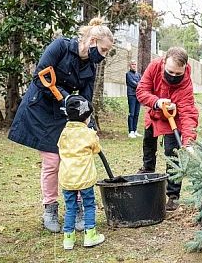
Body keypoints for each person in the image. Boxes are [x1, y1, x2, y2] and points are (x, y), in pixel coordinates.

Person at [8, 17, 113, 232]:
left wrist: (88, 122)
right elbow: (40, 76)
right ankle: (50, 208)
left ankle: (77, 208)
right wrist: (65, 97)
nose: (103, 55)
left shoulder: (90, 67)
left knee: (74, 158)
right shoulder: (61, 47)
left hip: (63, 113)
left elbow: (86, 99)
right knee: (52, 161)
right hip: (41, 109)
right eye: (103, 50)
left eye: (107, 52)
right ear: (92, 41)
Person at [136, 47, 199, 211]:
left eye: (178, 74)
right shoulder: (154, 67)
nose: (173, 77)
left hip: (174, 119)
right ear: (164, 63)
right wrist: (156, 102)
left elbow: (188, 112)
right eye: (170, 72)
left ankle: (173, 195)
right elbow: (141, 90)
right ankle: (147, 177)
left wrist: (189, 142)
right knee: (148, 147)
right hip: (154, 111)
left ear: (185, 68)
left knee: (173, 153)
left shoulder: (185, 84)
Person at [58, 95, 104, 250]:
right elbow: (97, 149)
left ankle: (68, 239)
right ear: (86, 118)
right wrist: (94, 136)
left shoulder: (63, 133)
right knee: (89, 205)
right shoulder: (88, 133)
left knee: (70, 207)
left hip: (68, 178)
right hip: (85, 178)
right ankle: (90, 235)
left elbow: (60, 148)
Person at [125, 60, 142, 138]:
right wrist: (138, 84)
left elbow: (141, 83)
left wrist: (138, 84)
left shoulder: (138, 75)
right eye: (132, 64)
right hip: (131, 95)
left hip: (138, 95)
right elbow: (133, 83)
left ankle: (135, 130)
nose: (134, 66)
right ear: (130, 65)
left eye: (135, 64)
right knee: (131, 113)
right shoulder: (128, 74)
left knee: (137, 113)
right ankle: (130, 131)